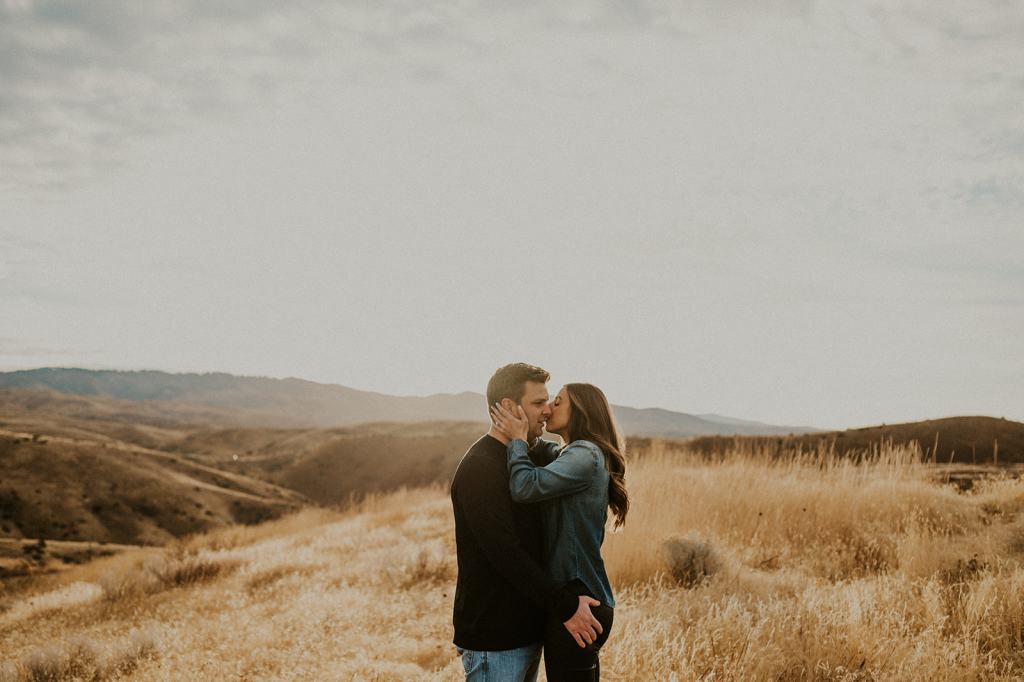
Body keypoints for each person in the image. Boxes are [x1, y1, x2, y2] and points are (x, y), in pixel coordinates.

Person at [451, 363, 604, 682]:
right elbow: (507, 554)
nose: (547, 411)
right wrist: (566, 607)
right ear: (508, 407)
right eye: (538, 403)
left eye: (549, 401)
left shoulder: (529, 460)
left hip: (529, 630)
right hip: (495, 639)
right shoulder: (480, 468)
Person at [490, 382, 628, 682]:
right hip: (581, 598)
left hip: (579, 600)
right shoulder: (573, 453)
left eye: (559, 401)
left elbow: (524, 486)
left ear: (580, 411)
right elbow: (548, 451)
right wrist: (526, 431)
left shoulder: (585, 455)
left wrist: (516, 441)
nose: (549, 408)